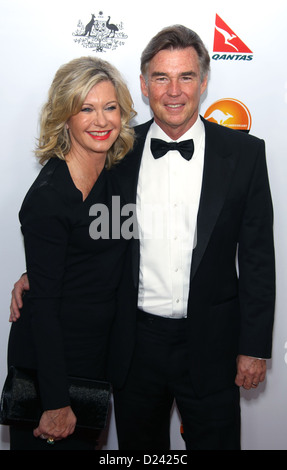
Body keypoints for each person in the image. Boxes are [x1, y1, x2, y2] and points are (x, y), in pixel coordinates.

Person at [10, 25, 276, 451]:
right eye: (161, 77)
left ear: (204, 82)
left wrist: (255, 346)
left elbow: (260, 258)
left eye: (186, 77)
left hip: (212, 345)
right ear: (143, 83)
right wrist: (37, 274)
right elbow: (76, 229)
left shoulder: (244, 155)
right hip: (133, 348)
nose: (173, 91)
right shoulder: (117, 152)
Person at [6, 56, 136, 450]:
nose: (101, 121)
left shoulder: (117, 171)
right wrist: (56, 401)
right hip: (53, 362)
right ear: (65, 116)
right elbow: (44, 306)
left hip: (97, 354)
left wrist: (39, 271)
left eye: (110, 107)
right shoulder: (48, 198)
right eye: (87, 108)